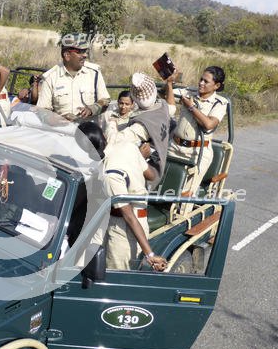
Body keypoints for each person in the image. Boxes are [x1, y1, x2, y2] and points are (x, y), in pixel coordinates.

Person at [76, 122, 167, 272]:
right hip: (122, 216)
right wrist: (139, 161)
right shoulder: (128, 146)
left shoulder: (111, 174)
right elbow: (151, 175)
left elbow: (129, 216)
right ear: (104, 136)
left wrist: (150, 254)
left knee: (115, 275)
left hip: (123, 228)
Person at [164, 65, 227, 205]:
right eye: (201, 79)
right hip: (174, 145)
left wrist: (191, 107)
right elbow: (169, 102)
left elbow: (209, 124)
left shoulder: (220, 103)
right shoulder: (189, 92)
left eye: (206, 81)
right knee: (162, 183)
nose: (201, 83)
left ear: (216, 85)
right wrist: (169, 83)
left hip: (197, 152)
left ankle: (182, 218)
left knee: (186, 194)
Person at [36, 34, 111, 122]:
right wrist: (59, 119)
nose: (85, 55)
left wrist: (92, 109)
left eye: (85, 51)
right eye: (80, 52)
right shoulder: (50, 77)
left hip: (87, 132)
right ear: (67, 55)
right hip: (61, 132)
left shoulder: (94, 73)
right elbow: (42, 111)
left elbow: (105, 100)